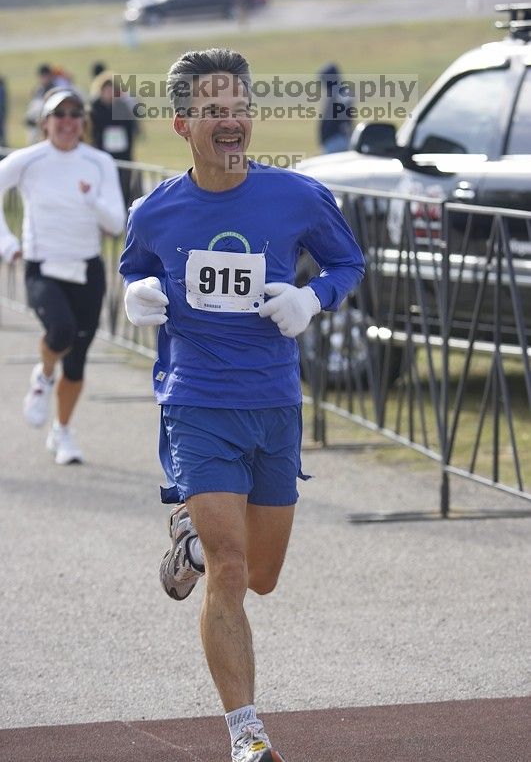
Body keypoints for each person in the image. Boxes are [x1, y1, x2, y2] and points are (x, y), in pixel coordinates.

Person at [119, 48, 365, 762]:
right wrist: (134, 295)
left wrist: (310, 297)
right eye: (213, 111)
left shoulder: (296, 196)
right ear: (182, 123)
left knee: (261, 573)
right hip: (196, 401)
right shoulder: (155, 210)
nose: (230, 123)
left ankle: (191, 539)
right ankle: (246, 734)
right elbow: (134, 269)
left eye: (238, 109)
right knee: (231, 566)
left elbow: (347, 261)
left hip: (273, 403)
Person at [0, 88, 126, 464]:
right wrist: (7, 244)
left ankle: (63, 431)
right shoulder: (29, 159)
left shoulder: (99, 161)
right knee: (60, 332)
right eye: (60, 114)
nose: (67, 122)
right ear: (45, 123)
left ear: (83, 122)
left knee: (78, 360)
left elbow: (116, 222)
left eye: (75, 114)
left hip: (86, 266)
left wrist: (92, 200)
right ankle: (43, 375)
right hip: (43, 264)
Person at [88, 70, 139, 206]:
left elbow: (131, 127)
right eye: (106, 90)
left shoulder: (122, 106)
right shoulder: (94, 108)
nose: (109, 93)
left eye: (112, 90)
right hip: (102, 153)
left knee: (123, 186)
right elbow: (91, 130)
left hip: (123, 155)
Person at [317, 62, 354, 154]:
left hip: (337, 140)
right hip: (334, 140)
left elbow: (345, 117)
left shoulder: (340, 93)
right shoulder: (338, 92)